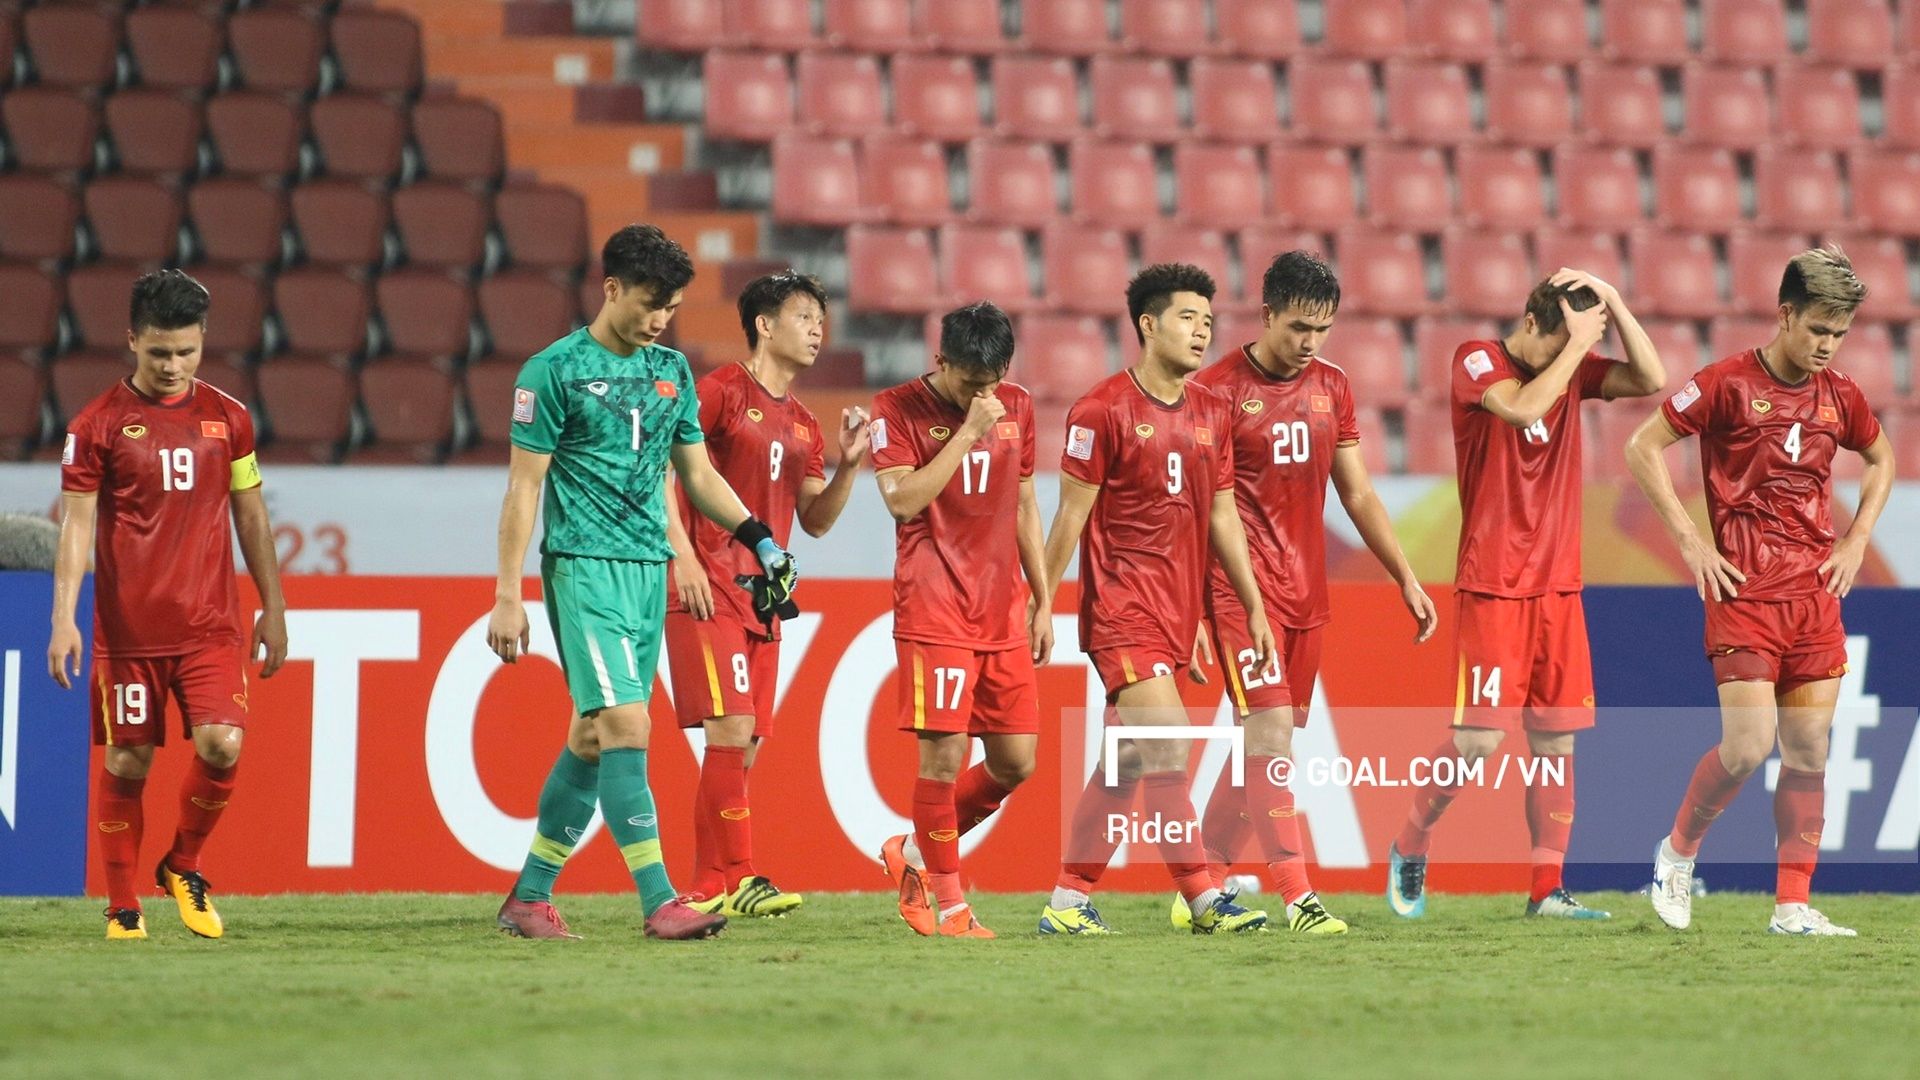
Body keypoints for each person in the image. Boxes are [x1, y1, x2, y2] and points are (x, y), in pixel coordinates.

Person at [487, 225, 796, 942]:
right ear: (612, 289)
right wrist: (507, 593)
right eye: (650, 304)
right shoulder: (552, 371)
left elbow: (696, 474)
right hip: (584, 567)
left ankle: (529, 898)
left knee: (593, 738)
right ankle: (661, 901)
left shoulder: (673, 373)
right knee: (629, 725)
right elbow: (523, 489)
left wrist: (759, 539)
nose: (660, 319)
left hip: (647, 573)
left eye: (673, 307)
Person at [1628, 247, 1893, 936]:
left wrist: (1857, 537)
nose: (1826, 347)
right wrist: (1692, 543)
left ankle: (1792, 906)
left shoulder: (1841, 396)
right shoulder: (1725, 384)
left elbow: (1883, 456)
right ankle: (1676, 854)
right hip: (1743, 590)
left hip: (1813, 595)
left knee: (1808, 753)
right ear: (1785, 315)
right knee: (1748, 746)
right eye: (1817, 331)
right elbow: (1641, 446)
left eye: (1838, 335)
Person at [1387, 270, 1665, 921]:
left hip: (1559, 587)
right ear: (1534, 323)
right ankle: (1411, 840)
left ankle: (1546, 890)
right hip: (1494, 585)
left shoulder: (1566, 364)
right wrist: (1577, 349)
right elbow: (1522, 407)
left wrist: (1617, 304)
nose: (1577, 356)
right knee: (1479, 742)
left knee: (1556, 743)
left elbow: (1650, 380)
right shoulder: (1477, 360)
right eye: (1563, 341)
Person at [1178, 251, 1438, 935]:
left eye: (1321, 329)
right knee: (1269, 742)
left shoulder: (1333, 386)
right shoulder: (1215, 393)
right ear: (1266, 315)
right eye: (1298, 327)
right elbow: (1207, 509)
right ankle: (1298, 895)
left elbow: (1355, 491)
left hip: (1306, 595)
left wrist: (1404, 573)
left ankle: (1199, 883)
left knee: (1266, 743)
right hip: (1241, 597)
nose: (1309, 343)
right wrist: (1197, 609)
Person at [48, 269, 289, 940]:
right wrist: (63, 616)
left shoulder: (229, 419)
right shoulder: (96, 426)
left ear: (202, 342)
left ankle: (182, 864)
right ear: (132, 341)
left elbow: (252, 516)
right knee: (129, 760)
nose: (172, 366)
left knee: (222, 740)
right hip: (126, 634)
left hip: (208, 626)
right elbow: (74, 527)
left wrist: (273, 604)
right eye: (158, 353)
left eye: (185, 351)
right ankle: (123, 906)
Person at [1036, 263, 1275, 936]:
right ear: (1148, 324)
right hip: (1120, 609)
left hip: (1174, 613)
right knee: (1168, 743)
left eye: (1207, 320)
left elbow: (1221, 518)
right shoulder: (1100, 409)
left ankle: (1068, 899)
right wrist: (1041, 603)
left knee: (1127, 762)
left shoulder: (1211, 413)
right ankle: (1203, 898)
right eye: (1186, 318)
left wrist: (1244, 604)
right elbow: (1069, 519)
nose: (1201, 331)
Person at [662, 271, 869, 918]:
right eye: (804, 316)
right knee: (732, 728)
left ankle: (704, 887)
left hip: (763, 599)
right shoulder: (720, 391)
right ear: (763, 324)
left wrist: (850, 467)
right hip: (708, 583)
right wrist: (684, 557)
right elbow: (666, 471)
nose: (817, 330)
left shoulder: (805, 424)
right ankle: (746, 876)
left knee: (740, 747)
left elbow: (816, 519)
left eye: (820, 320)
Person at [869, 302, 1050, 939]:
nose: (984, 394)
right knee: (943, 760)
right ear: (940, 360)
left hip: (1001, 609)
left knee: (1015, 762)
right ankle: (949, 906)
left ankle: (914, 854)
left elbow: (1025, 503)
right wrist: (970, 431)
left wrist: (1043, 595)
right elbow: (901, 500)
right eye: (971, 381)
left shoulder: (1018, 406)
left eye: (992, 382)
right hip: (934, 605)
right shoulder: (894, 409)